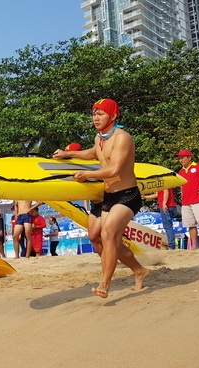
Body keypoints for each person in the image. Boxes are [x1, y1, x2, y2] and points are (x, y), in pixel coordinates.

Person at [53, 98, 150, 298]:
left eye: (101, 114)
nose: (96, 117)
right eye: (94, 113)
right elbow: (93, 154)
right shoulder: (100, 138)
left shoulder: (123, 138)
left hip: (127, 196)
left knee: (108, 235)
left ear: (113, 116)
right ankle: (140, 270)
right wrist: (67, 154)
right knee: (95, 236)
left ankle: (105, 284)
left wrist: (87, 175)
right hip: (108, 196)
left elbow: (114, 169)